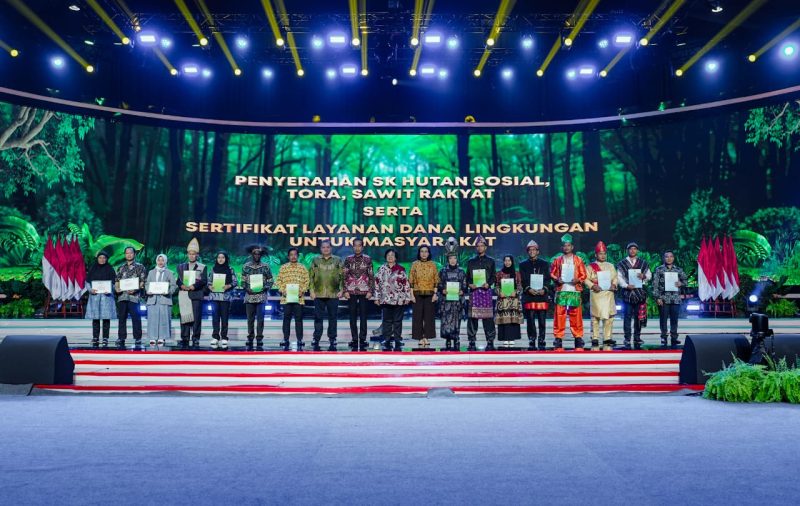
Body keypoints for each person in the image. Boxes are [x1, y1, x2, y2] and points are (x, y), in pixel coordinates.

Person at [550, 234, 588, 351]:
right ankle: (558, 337)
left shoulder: (578, 260)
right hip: (562, 290)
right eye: (564, 246)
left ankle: (578, 337)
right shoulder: (557, 260)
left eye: (568, 245)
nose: (566, 248)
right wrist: (557, 279)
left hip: (574, 290)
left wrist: (578, 279)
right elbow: (552, 273)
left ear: (572, 247)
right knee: (559, 315)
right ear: (562, 248)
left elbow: (584, 274)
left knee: (576, 315)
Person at [373, 248, 413, 352]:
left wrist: (407, 297)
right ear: (386, 257)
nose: (390, 257)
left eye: (392, 255)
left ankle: (398, 339)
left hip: (398, 299)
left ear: (395, 257)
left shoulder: (401, 269)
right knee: (386, 321)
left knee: (398, 321)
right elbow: (377, 284)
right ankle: (386, 339)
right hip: (385, 299)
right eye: (388, 255)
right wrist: (376, 298)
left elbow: (406, 284)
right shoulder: (381, 269)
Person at [309, 240, 344, 351]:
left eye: (328, 247)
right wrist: (311, 290)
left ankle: (332, 338)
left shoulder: (337, 260)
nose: (325, 249)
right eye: (323, 247)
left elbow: (342, 276)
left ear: (331, 248)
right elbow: (311, 277)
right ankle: (316, 338)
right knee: (318, 318)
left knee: (332, 318)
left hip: (333, 293)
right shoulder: (315, 260)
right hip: (318, 293)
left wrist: (341, 289)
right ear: (320, 249)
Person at [616, 242, 652, 350]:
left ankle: (637, 337)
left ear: (637, 250)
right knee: (627, 316)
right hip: (627, 293)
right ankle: (627, 338)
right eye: (630, 249)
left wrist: (644, 276)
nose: (632, 251)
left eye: (634, 249)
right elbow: (619, 277)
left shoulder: (643, 263)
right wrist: (626, 285)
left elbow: (649, 275)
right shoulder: (622, 263)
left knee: (638, 317)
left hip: (639, 294)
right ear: (627, 250)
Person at [584, 241, 618, 351]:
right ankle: (595, 337)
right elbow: (585, 279)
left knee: (609, 317)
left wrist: (614, 284)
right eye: (600, 254)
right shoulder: (590, 267)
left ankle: (607, 337)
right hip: (596, 293)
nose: (603, 256)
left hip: (608, 294)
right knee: (595, 317)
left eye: (604, 253)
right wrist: (593, 286)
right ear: (596, 255)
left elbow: (615, 278)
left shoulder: (610, 266)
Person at [275, 247, 310, 351]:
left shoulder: (302, 268)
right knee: (286, 319)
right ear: (288, 256)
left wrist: (302, 290)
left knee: (299, 319)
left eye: (295, 254)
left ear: (298, 256)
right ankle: (285, 339)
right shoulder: (283, 268)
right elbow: (279, 281)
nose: (293, 256)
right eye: (291, 255)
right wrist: (283, 290)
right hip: (286, 298)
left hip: (299, 298)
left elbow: (307, 281)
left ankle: (300, 340)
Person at [343, 238, 375, 352]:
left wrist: (371, 291)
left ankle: (362, 339)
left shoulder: (368, 259)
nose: (357, 248)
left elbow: (371, 276)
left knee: (363, 316)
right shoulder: (348, 259)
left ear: (362, 247)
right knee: (352, 316)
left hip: (364, 291)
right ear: (352, 247)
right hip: (351, 291)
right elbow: (344, 276)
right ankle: (354, 339)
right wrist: (345, 290)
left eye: (359, 245)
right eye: (355, 246)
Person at [518, 240, 551, 351]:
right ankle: (532, 338)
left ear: (538, 251)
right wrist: (528, 289)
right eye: (530, 250)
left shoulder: (545, 264)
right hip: (529, 295)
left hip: (542, 295)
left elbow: (547, 279)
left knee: (542, 320)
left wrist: (544, 289)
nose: (532, 252)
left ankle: (541, 338)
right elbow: (523, 280)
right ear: (527, 252)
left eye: (534, 250)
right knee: (530, 320)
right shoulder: (523, 265)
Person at [466, 235, 497, 351]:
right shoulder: (471, 262)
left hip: (486, 292)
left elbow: (494, 276)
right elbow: (467, 278)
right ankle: (472, 340)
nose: (480, 248)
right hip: (474, 292)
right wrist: (470, 284)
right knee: (472, 317)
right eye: (478, 246)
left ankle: (490, 340)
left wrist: (488, 284)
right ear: (476, 248)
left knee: (488, 317)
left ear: (485, 247)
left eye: (482, 246)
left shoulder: (491, 261)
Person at [653, 250, 688, 349]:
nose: (669, 258)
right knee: (663, 319)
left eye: (671, 256)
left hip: (675, 298)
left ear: (673, 258)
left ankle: (674, 337)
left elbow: (685, 280)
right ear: (664, 258)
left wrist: (681, 283)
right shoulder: (659, 269)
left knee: (674, 320)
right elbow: (655, 285)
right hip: (663, 299)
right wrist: (657, 297)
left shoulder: (678, 270)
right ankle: (664, 337)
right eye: (667, 256)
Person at [176, 238, 207, 349]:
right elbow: (178, 280)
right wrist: (181, 285)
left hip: (196, 294)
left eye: (194, 254)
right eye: (190, 254)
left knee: (196, 317)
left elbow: (203, 280)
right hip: (184, 294)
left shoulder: (202, 266)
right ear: (187, 254)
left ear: (197, 255)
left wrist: (194, 286)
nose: (192, 256)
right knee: (184, 317)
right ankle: (184, 338)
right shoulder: (181, 266)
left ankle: (195, 338)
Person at [242, 245, 274, 350]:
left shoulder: (266, 266)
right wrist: (246, 288)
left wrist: (265, 288)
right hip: (249, 296)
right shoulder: (246, 266)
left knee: (260, 319)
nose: (256, 255)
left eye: (258, 254)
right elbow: (242, 281)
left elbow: (270, 280)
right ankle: (250, 337)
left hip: (261, 296)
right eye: (254, 253)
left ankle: (259, 337)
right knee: (250, 319)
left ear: (261, 255)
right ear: (252, 254)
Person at [114, 246, 146, 349]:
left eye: (131, 253)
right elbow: (117, 281)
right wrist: (117, 288)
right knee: (122, 318)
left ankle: (138, 338)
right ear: (125, 255)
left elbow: (142, 282)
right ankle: (121, 337)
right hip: (122, 297)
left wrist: (136, 289)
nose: (129, 254)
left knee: (136, 318)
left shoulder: (140, 267)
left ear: (134, 254)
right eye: (127, 253)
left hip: (134, 297)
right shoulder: (120, 267)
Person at [438, 241, 467, 351]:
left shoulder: (461, 271)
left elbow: (464, 284)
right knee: (446, 320)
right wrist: (443, 290)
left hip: (457, 299)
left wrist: (462, 291)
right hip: (446, 300)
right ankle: (447, 339)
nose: (452, 260)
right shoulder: (443, 271)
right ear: (448, 260)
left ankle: (456, 338)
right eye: (450, 259)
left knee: (456, 319)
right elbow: (439, 284)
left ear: (457, 259)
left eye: (454, 258)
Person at [409, 245, 439, 348]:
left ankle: (426, 337)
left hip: (430, 294)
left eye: (426, 251)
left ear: (429, 253)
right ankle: (420, 337)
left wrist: (435, 294)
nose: (424, 253)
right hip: (417, 293)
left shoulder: (433, 265)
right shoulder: (415, 264)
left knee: (429, 317)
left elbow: (436, 280)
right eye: (422, 251)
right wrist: (411, 295)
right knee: (417, 317)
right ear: (419, 253)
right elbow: (411, 281)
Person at [85, 251, 117, 348]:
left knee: (106, 318)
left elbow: (115, 283)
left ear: (106, 259)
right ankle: (95, 337)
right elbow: (87, 282)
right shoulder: (93, 269)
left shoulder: (110, 269)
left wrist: (110, 289)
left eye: (104, 258)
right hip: (95, 297)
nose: (102, 259)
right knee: (95, 318)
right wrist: (90, 290)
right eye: (100, 258)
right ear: (97, 259)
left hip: (106, 298)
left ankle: (105, 337)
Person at [145, 253, 177, 347]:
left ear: (165, 261)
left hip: (164, 299)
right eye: (159, 260)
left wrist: (168, 292)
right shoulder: (151, 272)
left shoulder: (170, 273)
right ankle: (152, 337)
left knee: (164, 319)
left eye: (162, 260)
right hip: (153, 299)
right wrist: (148, 290)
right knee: (152, 318)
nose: (160, 262)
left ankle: (162, 337)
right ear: (156, 261)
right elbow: (147, 284)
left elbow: (173, 286)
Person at [207, 251, 237, 350]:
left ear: (226, 259)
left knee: (224, 318)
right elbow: (208, 281)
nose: (220, 259)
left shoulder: (230, 269)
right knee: (215, 317)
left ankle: (224, 337)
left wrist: (228, 285)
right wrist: (210, 287)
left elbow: (235, 281)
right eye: (219, 257)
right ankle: (215, 336)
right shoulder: (213, 269)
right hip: (215, 296)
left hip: (225, 297)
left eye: (223, 257)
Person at [495, 255, 523, 346]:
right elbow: (496, 286)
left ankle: (512, 338)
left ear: (512, 262)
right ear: (503, 262)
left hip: (513, 300)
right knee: (504, 319)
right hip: (503, 300)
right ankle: (504, 338)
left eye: (509, 260)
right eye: (506, 260)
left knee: (512, 320)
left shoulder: (516, 273)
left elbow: (520, 286)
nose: (507, 262)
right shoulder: (499, 273)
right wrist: (499, 292)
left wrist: (516, 292)